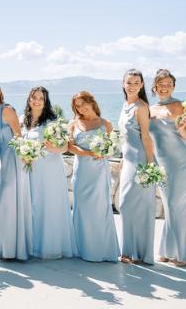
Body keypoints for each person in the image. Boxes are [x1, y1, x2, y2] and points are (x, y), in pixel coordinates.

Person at [149, 69, 186, 265]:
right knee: (170, 206)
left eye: (168, 84)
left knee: (180, 206)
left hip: (183, 162)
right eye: (161, 84)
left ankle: (181, 253)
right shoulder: (149, 110)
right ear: (154, 86)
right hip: (163, 164)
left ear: (173, 86)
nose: (165, 87)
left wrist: (180, 127)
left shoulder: (181, 106)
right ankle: (168, 249)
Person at [22, 86, 74, 259]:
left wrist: (54, 147)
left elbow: (65, 146)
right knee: (33, 205)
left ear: (46, 102)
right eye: (33, 97)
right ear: (29, 99)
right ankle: (33, 244)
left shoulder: (52, 122)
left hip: (50, 170)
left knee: (48, 205)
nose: (36, 101)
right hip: (31, 170)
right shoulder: (23, 120)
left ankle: (50, 247)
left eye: (40, 98)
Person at [67, 91, 120, 262]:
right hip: (82, 170)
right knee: (81, 206)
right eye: (77, 105)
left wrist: (104, 152)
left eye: (83, 103)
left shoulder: (106, 124)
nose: (81, 107)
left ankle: (102, 249)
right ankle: (82, 248)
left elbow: (112, 147)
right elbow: (71, 147)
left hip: (99, 171)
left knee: (99, 207)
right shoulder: (73, 124)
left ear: (91, 102)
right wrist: (90, 152)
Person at [0, 80, 32, 260]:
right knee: (6, 203)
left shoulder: (7, 110)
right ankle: (9, 248)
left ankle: (16, 249)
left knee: (12, 202)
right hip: (5, 161)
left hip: (15, 161)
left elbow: (19, 136)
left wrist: (25, 157)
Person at [118, 68, 156, 264]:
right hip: (128, 160)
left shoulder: (141, 107)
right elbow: (125, 138)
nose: (132, 86)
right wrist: (123, 158)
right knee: (127, 204)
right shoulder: (125, 105)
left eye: (136, 82)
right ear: (123, 84)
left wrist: (150, 165)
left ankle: (137, 253)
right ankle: (130, 252)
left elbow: (146, 136)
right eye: (129, 82)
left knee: (132, 204)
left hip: (140, 160)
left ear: (141, 85)